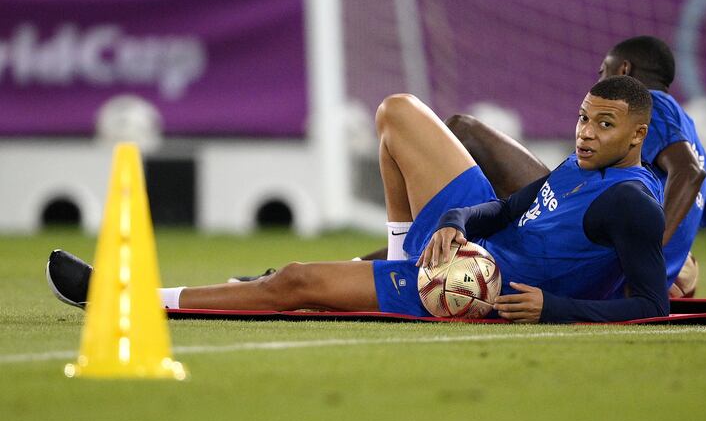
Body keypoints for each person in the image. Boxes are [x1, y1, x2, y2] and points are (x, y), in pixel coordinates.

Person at [47, 76, 668, 323]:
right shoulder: (580, 162)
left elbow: (652, 305)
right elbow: (504, 210)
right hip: (464, 245)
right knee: (398, 111)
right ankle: (399, 254)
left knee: (291, 282)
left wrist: (551, 308)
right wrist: (454, 218)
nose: (586, 132)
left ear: (637, 135)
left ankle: (128, 299)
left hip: (470, 285)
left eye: (603, 124)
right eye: (584, 118)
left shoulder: (631, 203)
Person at [446, 36, 706, 299]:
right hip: (621, 271)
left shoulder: (656, 106)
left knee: (465, 130)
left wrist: (652, 251)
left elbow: (689, 172)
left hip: (592, 247)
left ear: (624, 70)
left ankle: (429, 245)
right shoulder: (697, 148)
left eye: (603, 71)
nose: (598, 81)